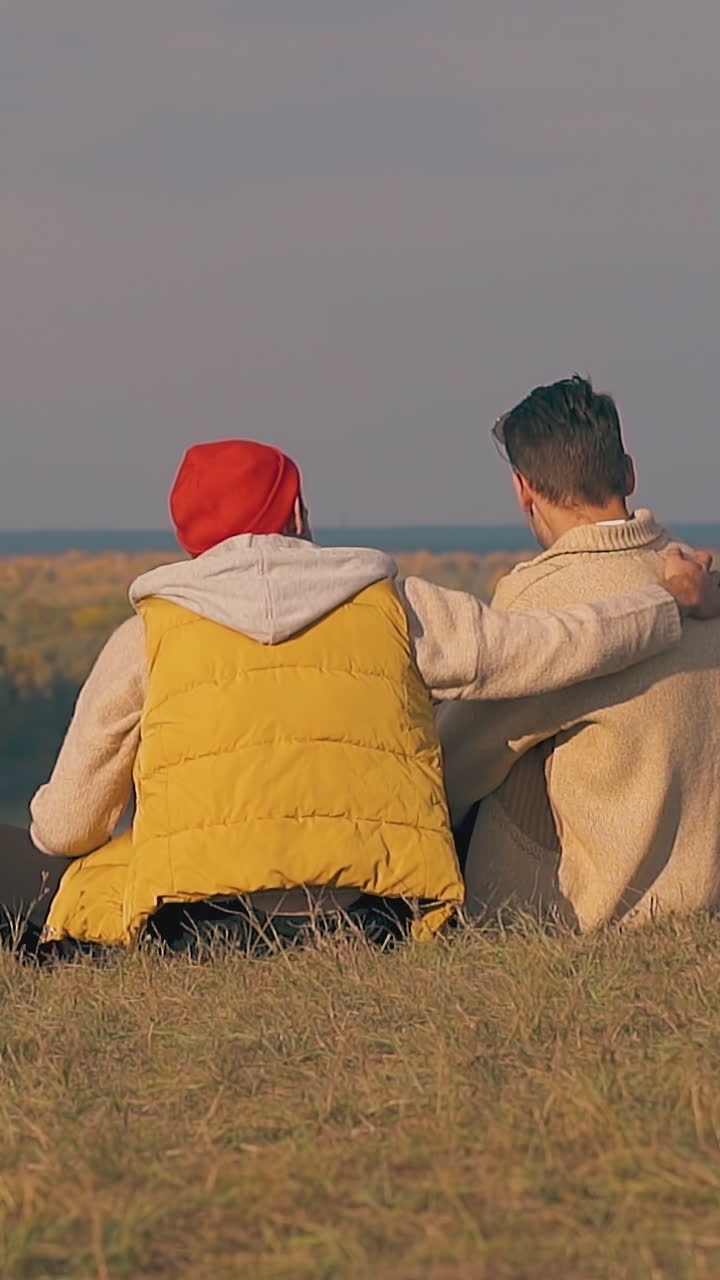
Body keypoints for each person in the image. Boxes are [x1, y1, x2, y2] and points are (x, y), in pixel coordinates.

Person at [3, 437, 718, 952]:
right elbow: (550, 647)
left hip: (200, 924)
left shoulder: (144, 639)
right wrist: (665, 604)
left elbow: (65, 828)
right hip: (373, 918)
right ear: (296, 514)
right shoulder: (393, 605)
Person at [441, 375, 720, 930]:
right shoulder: (695, 574)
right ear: (629, 473)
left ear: (523, 489)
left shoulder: (543, 594)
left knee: (501, 742)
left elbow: (453, 766)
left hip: (603, 910)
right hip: (703, 894)